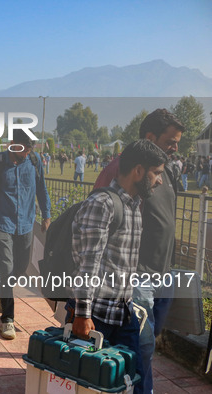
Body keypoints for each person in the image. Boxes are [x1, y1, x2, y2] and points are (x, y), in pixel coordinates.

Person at [94, 108, 184, 394]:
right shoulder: (117, 171)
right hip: (135, 276)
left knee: (147, 341)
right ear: (150, 137)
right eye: (170, 141)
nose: (175, 147)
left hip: (162, 273)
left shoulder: (166, 171)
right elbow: (96, 224)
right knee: (140, 345)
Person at [70, 139, 168, 394]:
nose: (160, 181)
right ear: (138, 171)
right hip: (96, 319)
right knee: (89, 384)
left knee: (128, 381)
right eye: (156, 173)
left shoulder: (134, 206)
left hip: (123, 314)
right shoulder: (102, 204)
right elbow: (88, 265)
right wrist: (82, 314)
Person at [0, 129, 51, 340]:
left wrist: (46, 214)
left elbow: (41, 189)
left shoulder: (34, 161)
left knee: (21, 266)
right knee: (6, 267)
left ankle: (3, 292)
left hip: (26, 223)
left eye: (30, 149)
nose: (27, 152)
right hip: (3, 222)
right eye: (24, 148)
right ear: (12, 144)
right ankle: (7, 319)